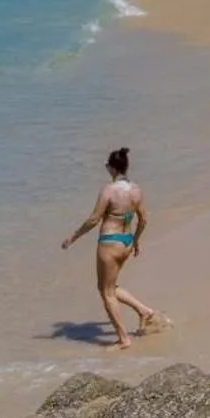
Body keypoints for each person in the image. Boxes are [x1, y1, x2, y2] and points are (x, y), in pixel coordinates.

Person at [60, 147, 170, 349]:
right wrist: (135, 241)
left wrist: (73, 236)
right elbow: (144, 219)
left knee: (106, 293)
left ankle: (123, 339)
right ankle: (145, 311)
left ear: (111, 168)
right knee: (109, 286)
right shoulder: (136, 190)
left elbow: (94, 219)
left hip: (109, 243)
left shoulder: (108, 190)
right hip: (126, 241)